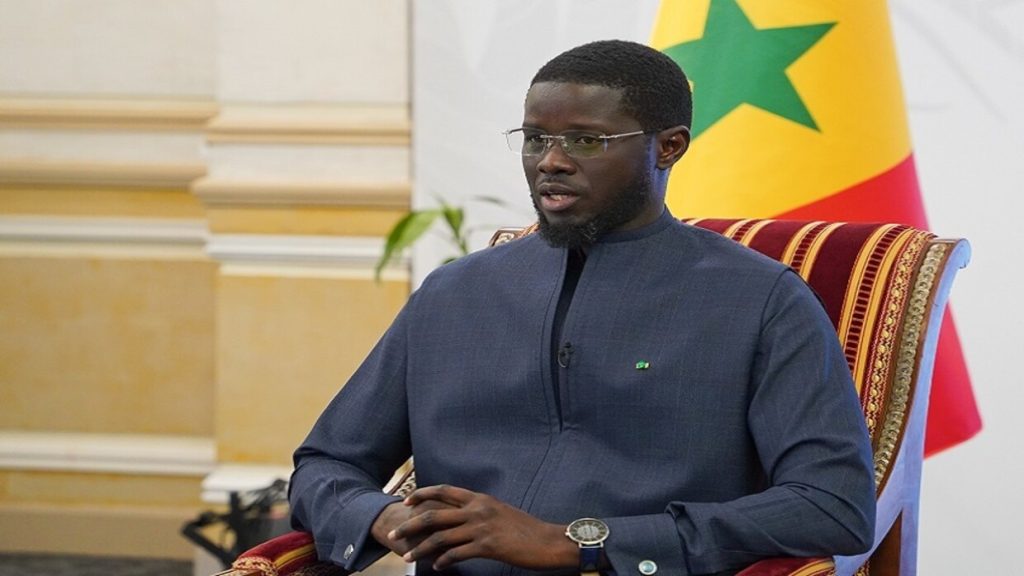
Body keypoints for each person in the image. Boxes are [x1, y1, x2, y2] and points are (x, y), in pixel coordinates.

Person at [289, 40, 875, 576]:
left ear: (668, 147)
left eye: (586, 141)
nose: (551, 161)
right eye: (535, 138)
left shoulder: (762, 300)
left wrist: (579, 542)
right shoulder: (454, 293)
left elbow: (830, 506)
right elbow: (325, 465)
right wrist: (384, 517)